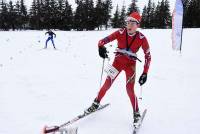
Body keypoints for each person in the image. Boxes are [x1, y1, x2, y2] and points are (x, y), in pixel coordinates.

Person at [85, 12, 151, 125]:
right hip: (117, 63)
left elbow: (148, 56)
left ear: (137, 25)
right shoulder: (120, 32)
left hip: (130, 66)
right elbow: (102, 41)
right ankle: (96, 104)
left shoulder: (142, 38)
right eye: (128, 22)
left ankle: (136, 113)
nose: (129, 25)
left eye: (132, 22)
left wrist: (145, 73)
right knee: (107, 84)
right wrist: (100, 47)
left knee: (129, 90)